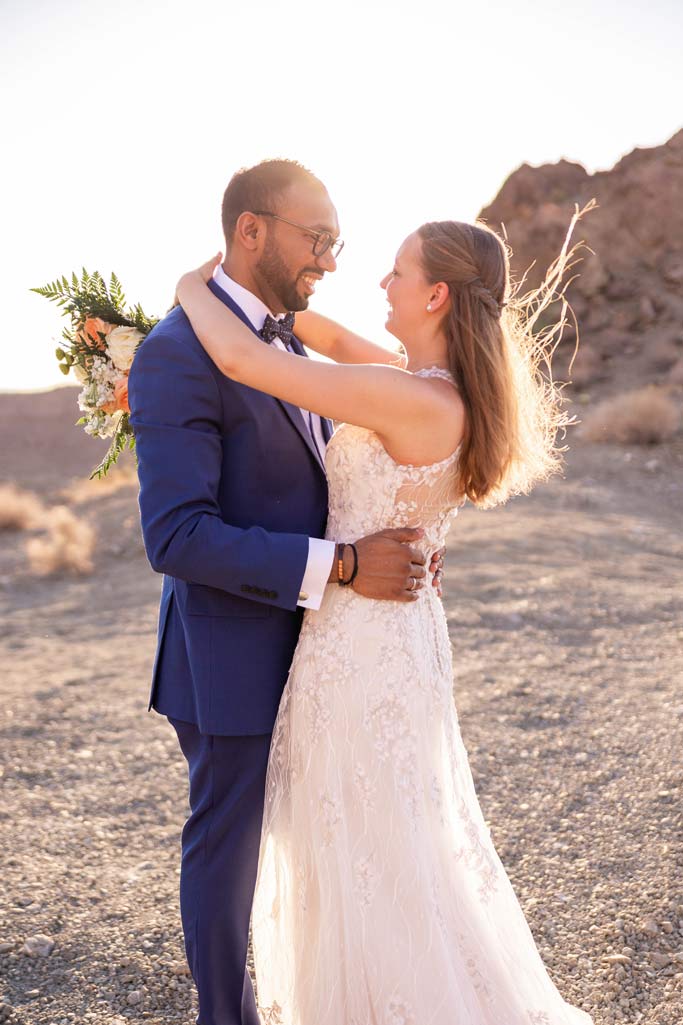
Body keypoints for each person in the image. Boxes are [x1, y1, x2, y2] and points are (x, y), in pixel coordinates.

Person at [174, 198, 593, 1024]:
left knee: (364, 844)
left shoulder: (409, 400)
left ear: (435, 296)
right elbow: (321, 337)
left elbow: (242, 361)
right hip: (389, 634)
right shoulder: (426, 389)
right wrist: (282, 295)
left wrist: (199, 282)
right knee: (380, 839)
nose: (380, 281)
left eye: (398, 272)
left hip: (363, 645)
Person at [128, 159, 444, 1025]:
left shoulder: (290, 342)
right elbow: (176, 536)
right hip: (227, 649)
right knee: (228, 855)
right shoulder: (176, 353)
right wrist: (342, 564)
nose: (332, 261)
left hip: (321, 648)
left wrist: (401, 537)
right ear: (251, 229)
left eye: (337, 243)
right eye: (320, 240)